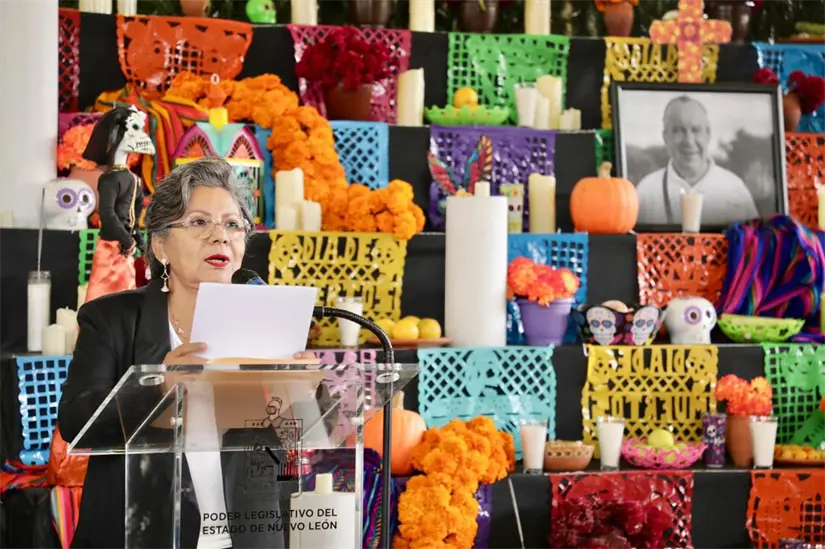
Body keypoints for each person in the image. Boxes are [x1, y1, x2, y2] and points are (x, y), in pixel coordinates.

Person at [58, 157, 316, 549]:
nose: (221, 236)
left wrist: (303, 401)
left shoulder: (267, 321)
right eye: (199, 222)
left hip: (246, 535)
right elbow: (77, 423)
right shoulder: (111, 320)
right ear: (160, 245)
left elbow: (291, 452)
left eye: (233, 224)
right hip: (142, 534)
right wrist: (157, 389)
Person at [635, 95, 759, 226]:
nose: (689, 141)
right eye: (678, 131)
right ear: (666, 137)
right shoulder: (646, 192)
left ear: (708, 134)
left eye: (696, 130)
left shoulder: (735, 189)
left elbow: (755, 242)